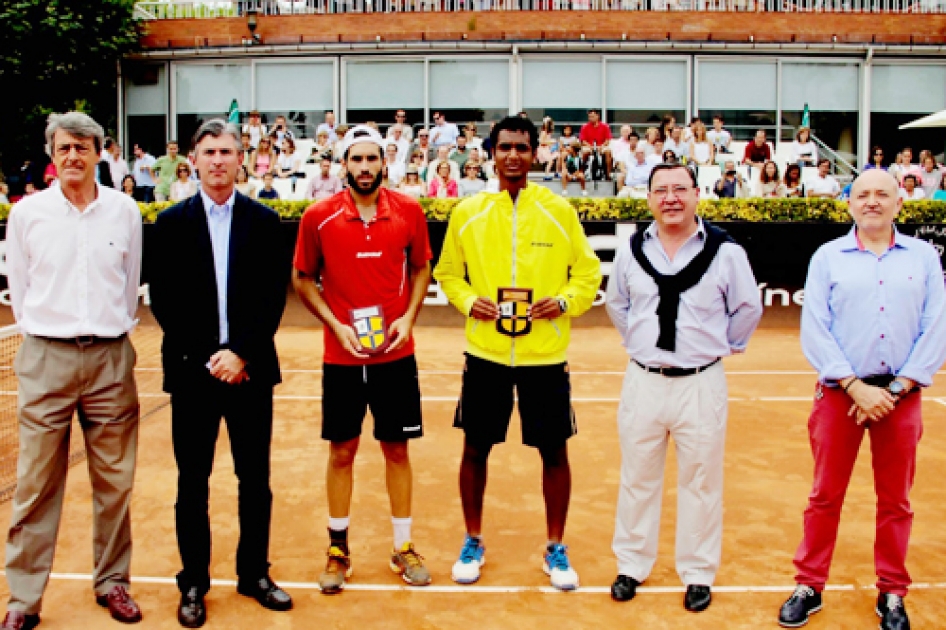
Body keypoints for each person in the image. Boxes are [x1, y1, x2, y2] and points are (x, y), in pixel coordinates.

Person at [433, 115, 602, 592]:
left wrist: (563, 302)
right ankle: (473, 539)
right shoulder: (467, 212)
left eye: (522, 148)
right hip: (485, 353)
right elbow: (449, 274)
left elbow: (587, 274)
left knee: (554, 451)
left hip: (544, 357)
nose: (513, 155)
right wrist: (469, 302)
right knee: (475, 446)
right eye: (505, 146)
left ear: (535, 154)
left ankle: (555, 547)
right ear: (491, 152)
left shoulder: (557, 210)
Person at [777, 170, 946, 630]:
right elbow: (815, 327)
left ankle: (892, 591)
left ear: (899, 203)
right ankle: (810, 583)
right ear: (849, 204)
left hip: (900, 397)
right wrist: (854, 386)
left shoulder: (924, 257)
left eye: (882, 194)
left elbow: (936, 326)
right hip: (839, 395)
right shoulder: (828, 257)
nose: (872, 202)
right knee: (824, 495)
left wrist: (894, 390)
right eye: (862, 195)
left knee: (896, 501)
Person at [2, 111, 144, 630]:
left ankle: (112, 582)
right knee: (35, 483)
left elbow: (128, 286)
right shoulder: (27, 215)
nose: (73, 157)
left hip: (110, 357)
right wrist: (51, 331)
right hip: (45, 357)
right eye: (64, 148)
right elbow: (20, 291)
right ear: (51, 154)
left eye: (83, 147)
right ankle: (23, 599)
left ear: (99, 153)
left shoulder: (124, 211)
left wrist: (104, 330)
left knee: (114, 481)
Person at [149, 119, 293, 628]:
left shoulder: (265, 221)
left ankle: (254, 574)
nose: (217, 160)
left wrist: (242, 355)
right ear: (194, 158)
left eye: (226, 151)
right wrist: (212, 356)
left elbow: (273, 297)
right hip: (194, 374)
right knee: (193, 483)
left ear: (241, 159)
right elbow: (165, 301)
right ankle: (193, 583)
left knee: (255, 480)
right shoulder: (169, 224)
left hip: (250, 373)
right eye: (208, 151)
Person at [605, 163, 763, 614]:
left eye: (680, 189)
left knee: (701, 481)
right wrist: (640, 344)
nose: (670, 198)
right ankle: (631, 565)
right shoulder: (631, 249)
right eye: (661, 190)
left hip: (700, 381)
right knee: (637, 477)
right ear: (649, 198)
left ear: (697, 194)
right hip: (644, 379)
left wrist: (721, 347)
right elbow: (618, 304)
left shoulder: (726, 253)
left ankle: (697, 573)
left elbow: (748, 307)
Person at [292, 124, 434, 594]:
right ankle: (338, 549)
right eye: (357, 160)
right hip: (342, 356)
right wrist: (336, 326)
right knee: (342, 451)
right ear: (343, 165)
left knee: (397, 449)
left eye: (373, 159)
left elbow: (421, 266)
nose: (365, 168)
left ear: (385, 162)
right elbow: (302, 279)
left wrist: (409, 317)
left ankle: (403, 546)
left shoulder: (409, 211)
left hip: (396, 354)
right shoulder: (318, 217)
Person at [579, 109, 612, 179]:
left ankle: (608, 174)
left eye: (593, 116)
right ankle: (581, 172)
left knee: (608, 152)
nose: (591, 118)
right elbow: (583, 140)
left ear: (598, 116)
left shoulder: (605, 126)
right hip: (589, 146)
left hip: (601, 146)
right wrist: (590, 146)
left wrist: (601, 146)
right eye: (589, 117)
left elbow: (607, 140)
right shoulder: (585, 127)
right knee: (584, 152)